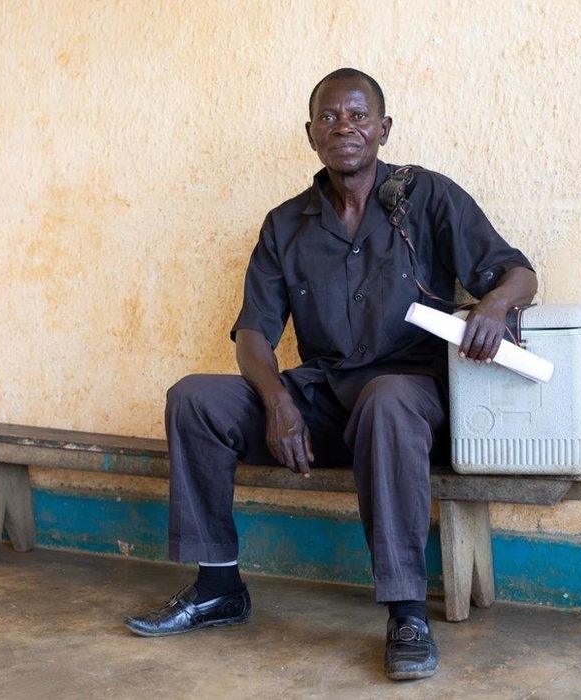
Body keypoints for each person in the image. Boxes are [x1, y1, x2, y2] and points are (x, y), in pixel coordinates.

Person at [125, 68, 537, 681]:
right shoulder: (285, 224)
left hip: (407, 399)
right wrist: (276, 403)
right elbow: (253, 334)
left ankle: (405, 613)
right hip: (319, 400)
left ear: (384, 129)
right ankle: (217, 587)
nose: (345, 126)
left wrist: (496, 305)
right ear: (311, 134)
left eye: (359, 115)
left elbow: (518, 272)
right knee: (194, 398)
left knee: (388, 398)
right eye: (330, 117)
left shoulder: (428, 197)